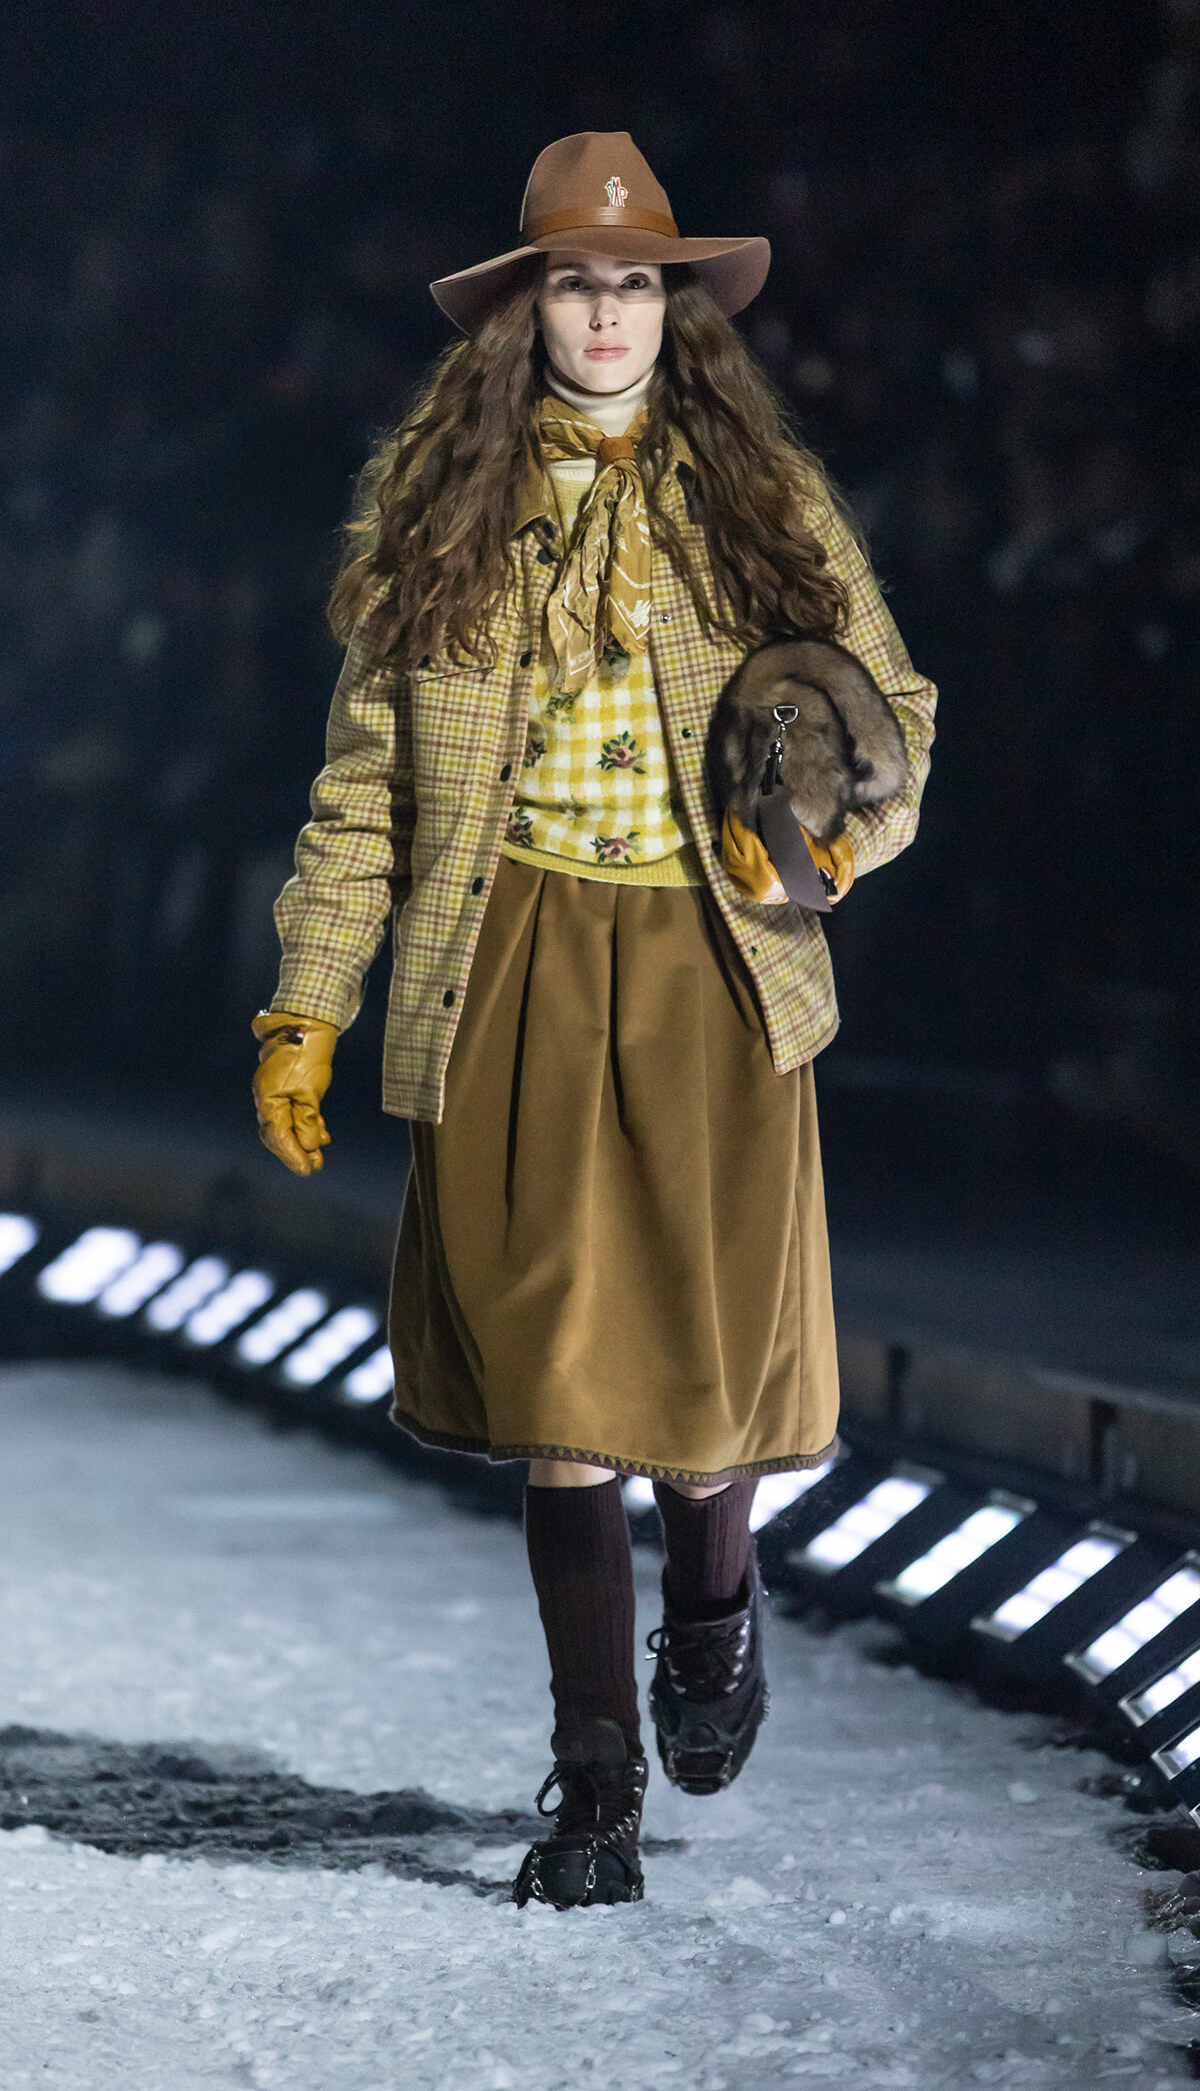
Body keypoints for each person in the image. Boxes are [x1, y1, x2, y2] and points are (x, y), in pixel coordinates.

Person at [251, 132, 936, 1911]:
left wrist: (821, 842)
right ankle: (592, 1785)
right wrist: (306, 1002)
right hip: (518, 961)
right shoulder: (440, 516)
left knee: (700, 1397)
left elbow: (890, 711)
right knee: (564, 1393)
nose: (608, 313)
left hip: (716, 963)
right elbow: (364, 795)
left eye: (636, 283)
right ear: (527, 308)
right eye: (575, 280)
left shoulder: (759, 497)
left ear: (676, 312)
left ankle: (711, 1622)